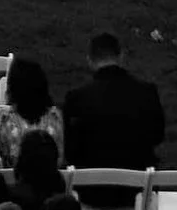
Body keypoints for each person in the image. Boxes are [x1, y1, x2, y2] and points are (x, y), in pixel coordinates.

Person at [64, 30, 166, 166]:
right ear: (121, 56)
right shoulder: (147, 92)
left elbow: (70, 149)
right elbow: (157, 136)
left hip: (91, 183)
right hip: (138, 181)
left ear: (90, 60)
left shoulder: (76, 98)